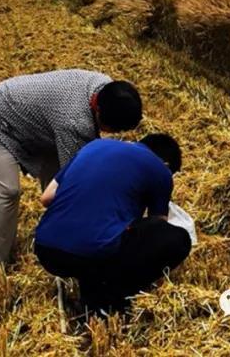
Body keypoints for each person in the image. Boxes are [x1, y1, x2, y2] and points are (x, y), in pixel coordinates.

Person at [0, 69, 142, 264]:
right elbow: (79, 179)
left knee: (57, 182)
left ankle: (57, 231)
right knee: (9, 192)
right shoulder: (75, 122)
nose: (115, 133)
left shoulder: (105, 87)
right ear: (99, 113)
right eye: (115, 129)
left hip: (39, 126)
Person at [34, 133, 191, 317]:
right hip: (93, 255)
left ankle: (92, 284)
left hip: (46, 250)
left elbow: (46, 198)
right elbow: (158, 225)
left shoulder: (93, 147)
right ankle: (110, 297)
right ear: (166, 165)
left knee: (101, 238)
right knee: (178, 239)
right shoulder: (160, 170)